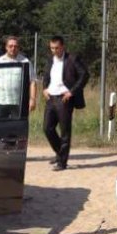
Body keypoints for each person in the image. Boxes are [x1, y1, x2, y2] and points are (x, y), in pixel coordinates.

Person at [41, 35, 88, 171]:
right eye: (52, 48)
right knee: (47, 128)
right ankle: (60, 154)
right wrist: (44, 88)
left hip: (64, 99)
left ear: (63, 46)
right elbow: (46, 75)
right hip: (51, 98)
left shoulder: (72, 59)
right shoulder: (50, 60)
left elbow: (84, 75)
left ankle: (62, 163)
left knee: (65, 131)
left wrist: (71, 92)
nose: (54, 51)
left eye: (56, 48)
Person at [0, 35, 37, 119]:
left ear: (18, 48)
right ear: (6, 47)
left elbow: (32, 81)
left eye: (15, 46)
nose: (13, 48)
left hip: (18, 103)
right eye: (10, 46)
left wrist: (32, 99)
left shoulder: (25, 62)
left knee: (18, 130)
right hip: (0, 102)